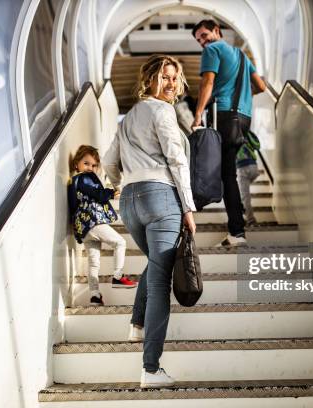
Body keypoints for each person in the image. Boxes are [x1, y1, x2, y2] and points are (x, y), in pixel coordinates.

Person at [103, 54, 196, 389]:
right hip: (161, 197)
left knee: (156, 265)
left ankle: (137, 323)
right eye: (165, 77)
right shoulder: (162, 110)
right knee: (160, 281)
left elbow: (108, 160)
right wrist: (188, 206)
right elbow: (175, 158)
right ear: (151, 80)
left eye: (175, 77)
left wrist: (120, 184)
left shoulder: (128, 118)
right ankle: (151, 369)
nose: (171, 84)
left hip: (130, 201)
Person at [191, 19, 266, 246]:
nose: (202, 42)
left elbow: (208, 82)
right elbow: (261, 87)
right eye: (199, 40)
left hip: (224, 115)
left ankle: (237, 231)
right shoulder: (242, 56)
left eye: (204, 35)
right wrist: (242, 98)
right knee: (229, 171)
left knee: (227, 175)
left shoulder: (213, 50)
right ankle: (236, 228)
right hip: (243, 118)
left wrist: (197, 115)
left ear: (217, 30)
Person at [68, 145, 137, 307]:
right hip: (92, 221)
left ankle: (95, 295)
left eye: (93, 165)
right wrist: (111, 192)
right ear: (76, 163)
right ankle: (118, 277)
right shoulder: (83, 179)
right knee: (120, 242)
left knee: (94, 262)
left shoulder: (74, 183)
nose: (90, 168)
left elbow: (73, 206)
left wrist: (77, 229)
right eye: (86, 163)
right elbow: (97, 193)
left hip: (84, 228)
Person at [236, 130, 261, 225]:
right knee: (242, 193)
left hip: (242, 168)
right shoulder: (249, 133)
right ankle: (243, 207)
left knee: (245, 196)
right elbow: (258, 146)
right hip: (254, 168)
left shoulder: (233, 132)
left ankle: (251, 220)